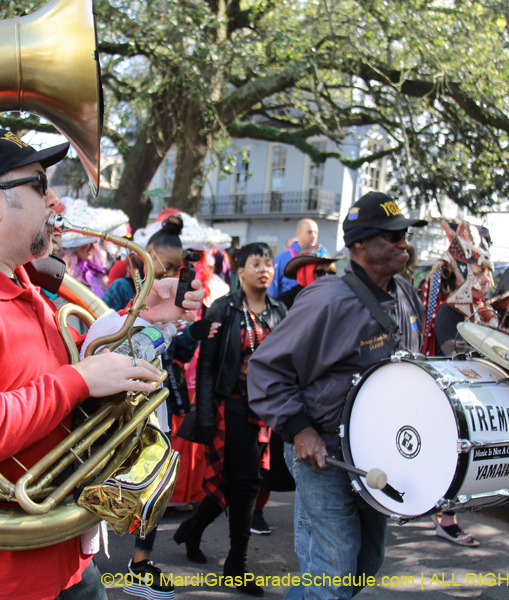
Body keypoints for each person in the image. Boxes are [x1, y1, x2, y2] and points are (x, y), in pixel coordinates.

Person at [0, 129, 203, 600]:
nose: (56, 201)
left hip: (55, 556)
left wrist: (142, 315)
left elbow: (65, 368)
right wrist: (78, 381)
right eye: (39, 185)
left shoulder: (19, 285)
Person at [248, 191, 426, 600]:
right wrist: (299, 431)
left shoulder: (404, 294)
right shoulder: (326, 298)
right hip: (322, 450)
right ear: (360, 244)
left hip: (376, 451)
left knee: (365, 562)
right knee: (333, 567)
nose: (404, 242)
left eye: (404, 234)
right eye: (392, 235)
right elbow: (266, 368)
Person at [174, 242, 287, 597]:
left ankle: (192, 529)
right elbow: (206, 365)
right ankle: (236, 566)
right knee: (247, 483)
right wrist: (205, 414)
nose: (264, 269)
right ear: (240, 272)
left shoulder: (280, 310)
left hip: (264, 410)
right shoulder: (224, 308)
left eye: (268, 263)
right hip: (231, 405)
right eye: (255, 263)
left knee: (232, 482)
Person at [419, 220, 501, 547]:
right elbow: (452, 356)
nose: (487, 280)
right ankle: (446, 517)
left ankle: (444, 514)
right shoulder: (448, 313)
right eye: (480, 274)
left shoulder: (472, 312)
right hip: (446, 398)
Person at [268, 218, 327, 297]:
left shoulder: (323, 257)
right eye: (309, 232)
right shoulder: (281, 259)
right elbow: (272, 291)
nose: (313, 236)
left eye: (316, 232)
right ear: (298, 234)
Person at [275, 252, 342, 309]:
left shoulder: (335, 299)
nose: (327, 277)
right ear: (306, 273)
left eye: (331, 273)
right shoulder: (286, 300)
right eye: (320, 273)